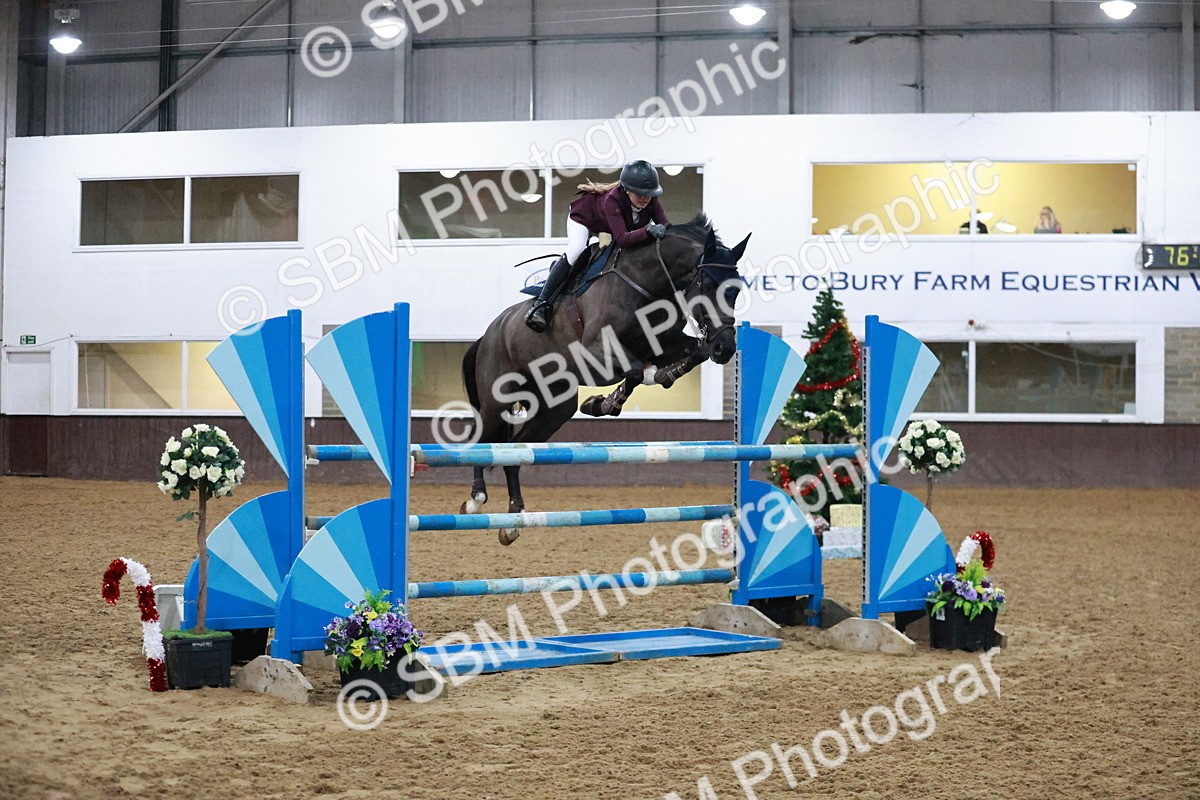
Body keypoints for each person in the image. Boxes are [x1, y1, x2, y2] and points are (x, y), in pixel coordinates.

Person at [525, 159, 670, 333]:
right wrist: (648, 230)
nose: (646, 198)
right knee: (577, 250)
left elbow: (666, 227)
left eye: (649, 193)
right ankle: (541, 304)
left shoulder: (651, 200)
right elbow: (623, 238)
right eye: (641, 193)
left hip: (611, 226)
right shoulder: (612, 200)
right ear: (627, 190)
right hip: (584, 220)